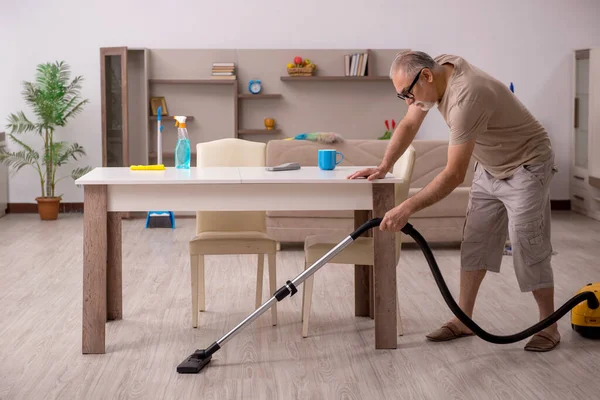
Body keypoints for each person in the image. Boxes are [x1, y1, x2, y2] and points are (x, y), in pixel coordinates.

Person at [347, 50, 559, 352]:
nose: (408, 101)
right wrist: (384, 166)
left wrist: (406, 207)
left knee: (527, 243)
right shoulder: (436, 72)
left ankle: (549, 326)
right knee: (475, 240)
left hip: (527, 162)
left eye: (407, 93)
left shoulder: (467, 98)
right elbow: (408, 125)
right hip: (491, 164)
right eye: (401, 96)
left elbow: (453, 174)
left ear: (427, 76)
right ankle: (464, 320)